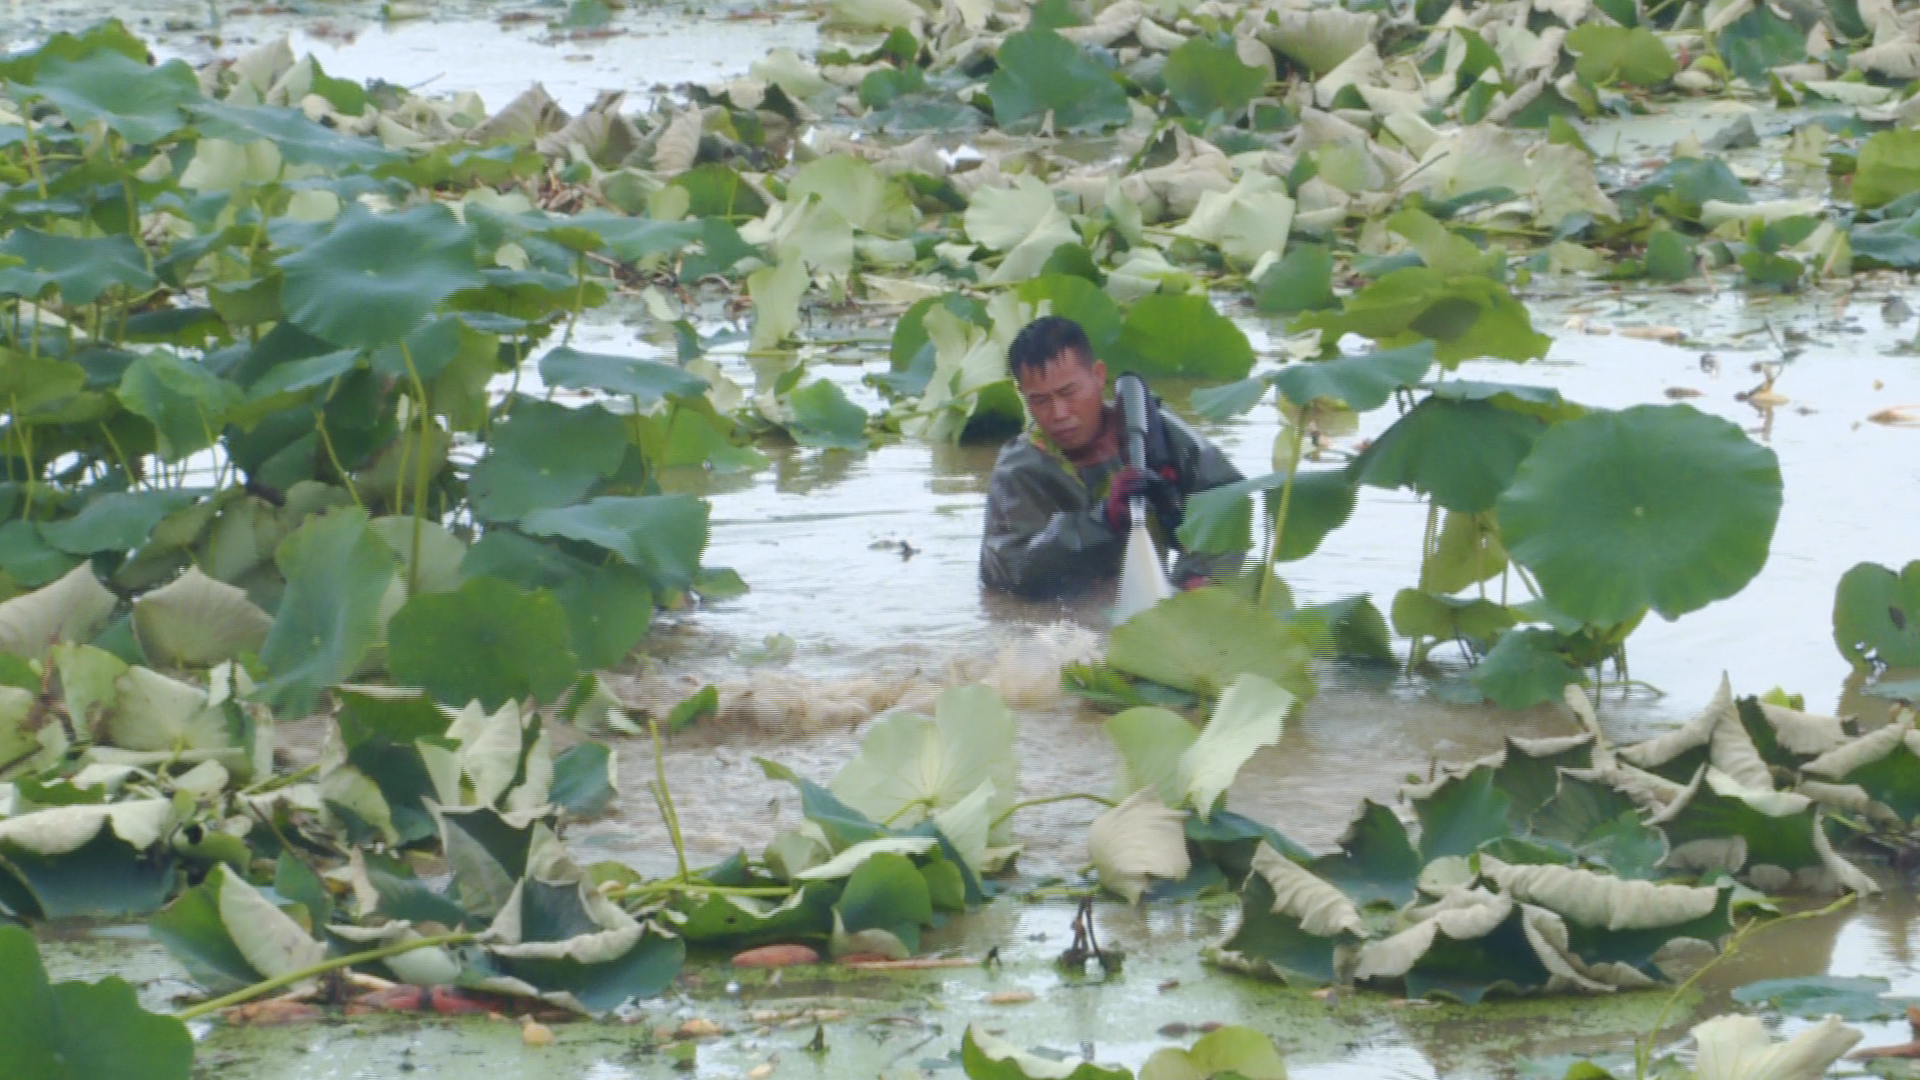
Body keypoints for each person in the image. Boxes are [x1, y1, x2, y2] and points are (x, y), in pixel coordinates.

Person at [979, 315, 1245, 598]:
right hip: (1068, 613)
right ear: (1023, 396)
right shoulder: (1019, 470)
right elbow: (1004, 573)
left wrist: (1196, 579)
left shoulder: (1155, 432)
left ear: (1098, 375)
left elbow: (1230, 502)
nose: (1059, 414)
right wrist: (1103, 521)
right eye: (1040, 401)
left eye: (1069, 393)